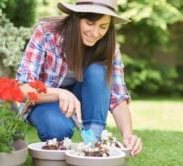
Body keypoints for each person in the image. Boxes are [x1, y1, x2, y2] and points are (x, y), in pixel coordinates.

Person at [16, 0, 142, 156]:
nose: (95, 33)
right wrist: (60, 93)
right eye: (90, 23)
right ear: (77, 18)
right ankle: (59, 146)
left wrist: (127, 134)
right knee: (57, 128)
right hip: (45, 99)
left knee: (98, 70)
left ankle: (93, 145)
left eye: (103, 27)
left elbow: (117, 97)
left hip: (82, 97)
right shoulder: (47, 32)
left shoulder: (109, 47)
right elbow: (23, 89)